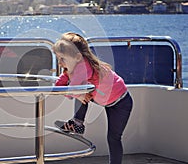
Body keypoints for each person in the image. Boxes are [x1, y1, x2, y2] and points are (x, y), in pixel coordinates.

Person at [53, 32, 133, 164]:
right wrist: (67, 83)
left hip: (121, 102)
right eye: (58, 59)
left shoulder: (83, 68)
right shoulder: (71, 67)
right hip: (105, 99)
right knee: (82, 93)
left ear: (78, 57)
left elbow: (69, 92)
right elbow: (60, 86)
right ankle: (77, 123)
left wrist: (77, 94)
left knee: (114, 138)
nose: (60, 63)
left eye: (63, 59)